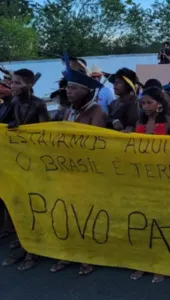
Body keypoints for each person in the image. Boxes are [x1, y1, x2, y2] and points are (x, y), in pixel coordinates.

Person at [49, 62, 107, 276]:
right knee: (66, 213)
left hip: (88, 174)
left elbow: (97, 146)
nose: (68, 92)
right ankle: (68, 253)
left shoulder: (97, 112)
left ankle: (89, 255)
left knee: (87, 216)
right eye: (68, 88)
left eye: (73, 88)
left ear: (87, 90)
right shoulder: (69, 112)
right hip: (68, 173)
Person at [2, 68, 49, 271]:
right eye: (12, 83)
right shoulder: (13, 103)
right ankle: (25, 242)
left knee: (35, 204)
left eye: (18, 83)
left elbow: (46, 133)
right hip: (19, 161)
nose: (12, 86)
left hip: (35, 163)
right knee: (20, 203)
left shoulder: (38, 104)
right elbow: (17, 124)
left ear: (29, 85)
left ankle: (35, 249)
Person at [107, 68, 139, 132]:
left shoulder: (136, 104)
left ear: (128, 85)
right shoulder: (113, 103)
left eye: (119, 82)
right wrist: (114, 121)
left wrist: (131, 128)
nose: (115, 85)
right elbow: (107, 120)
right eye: (114, 82)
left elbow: (136, 125)